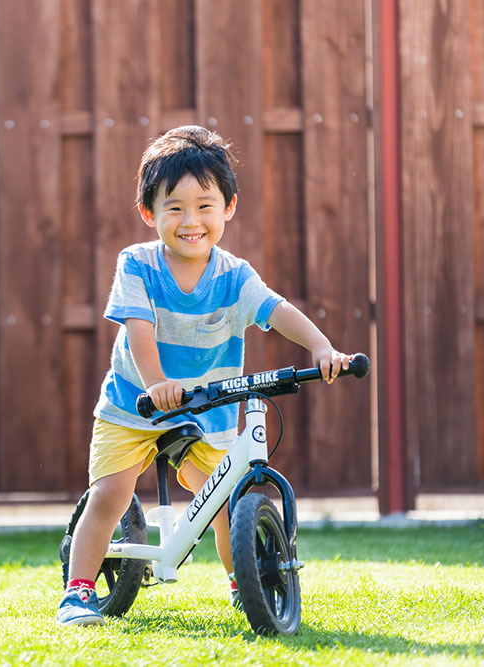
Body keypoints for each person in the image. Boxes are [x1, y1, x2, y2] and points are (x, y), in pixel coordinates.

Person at [57, 125, 352, 626]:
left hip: (206, 414)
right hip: (135, 405)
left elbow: (276, 310)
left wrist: (322, 346)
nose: (190, 220)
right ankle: (79, 592)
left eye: (204, 205)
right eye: (174, 207)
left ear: (229, 208)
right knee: (111, 494)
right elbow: (139, 331)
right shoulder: (138, 265)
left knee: (227, 501)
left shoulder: (234, 276)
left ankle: (247, 586)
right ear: (150, 213)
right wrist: (156, 384)